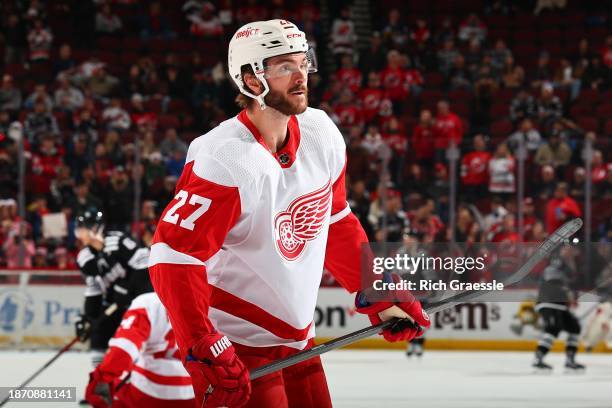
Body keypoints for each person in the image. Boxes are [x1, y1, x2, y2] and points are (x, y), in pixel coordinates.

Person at [148, 19, 430, 408]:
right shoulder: (226, 158)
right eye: (284, 67)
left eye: (303, 62)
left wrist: (376, 289)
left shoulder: (321, 132)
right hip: (239, 348)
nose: (302, 76)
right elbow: (173, 255)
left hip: (299, 345)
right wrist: (199, 340)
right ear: (250, 80)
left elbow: (335, 221)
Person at [74, 209, 153, 370]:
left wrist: (128, 289)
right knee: (98, 336)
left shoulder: (117, 240)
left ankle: (133, 379)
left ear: (95, 228)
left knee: (135, 339)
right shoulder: (85, 257)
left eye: (83, 228)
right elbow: (94, 288)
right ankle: (100, 382)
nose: (79, 233)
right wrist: (89, 317)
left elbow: (144, 264)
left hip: (138, 299)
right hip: (115, 303)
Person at [85, 292, 194, 408]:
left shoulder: (148, 302)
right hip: (195, 392)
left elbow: (124, 348)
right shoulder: (207, 298)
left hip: (147, 392)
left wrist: (102, 378)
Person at [533, 247, 584, 372]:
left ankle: (569, 360)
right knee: (553, 328)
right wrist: (568, 293)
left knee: (575, 327)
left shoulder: (572, 265)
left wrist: (572, 295)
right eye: (568, 249)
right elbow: (552, 277)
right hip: (548, 302)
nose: (570, 251)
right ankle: (538, 359)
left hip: (560, 305)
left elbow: (570, 284)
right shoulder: (558, 261)